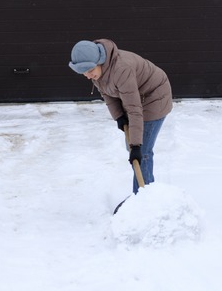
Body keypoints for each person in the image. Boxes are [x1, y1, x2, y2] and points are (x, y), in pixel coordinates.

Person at [69, 38, 172, 194]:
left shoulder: (121, 69)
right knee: (134, 148)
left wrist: (137, 146)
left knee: (142, 153)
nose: (88, 76)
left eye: (90, 71)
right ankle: (145, 196)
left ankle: (144, 199)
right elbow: (107, 93)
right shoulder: (98, 69)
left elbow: (134, 109)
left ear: (99, 61)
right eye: (84, 72)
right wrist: (118, 116)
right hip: (137, 98)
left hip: (154, 97)